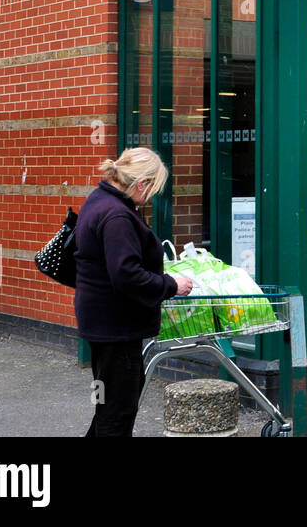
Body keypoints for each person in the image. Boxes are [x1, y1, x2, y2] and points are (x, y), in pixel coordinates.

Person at [74, 147, 191, 436]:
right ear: (141, 184)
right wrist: (171, 285)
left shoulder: (99, 200)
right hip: (117, 327)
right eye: (152, 189)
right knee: (118, 412)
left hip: (101, 323)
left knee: (108, 408)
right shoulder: (117, 216)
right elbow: (126, 274)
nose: (151, 197)